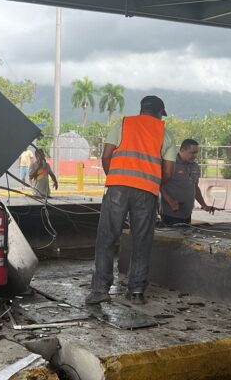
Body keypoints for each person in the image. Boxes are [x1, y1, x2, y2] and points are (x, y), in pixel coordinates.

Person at [86, 96, 177, 306]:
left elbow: (106, 155)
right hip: (147, 191)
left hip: (117, 187)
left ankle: (100, 290)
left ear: (142, 108)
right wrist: (152, 181)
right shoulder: (165, 133)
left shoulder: (123, 123)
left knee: (107, 238)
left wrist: (115, 177)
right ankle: (136, 291)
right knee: (142, 240)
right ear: (159, 112)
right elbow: (169, 171)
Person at [160, 139, 216, 226]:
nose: (194, 156)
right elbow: (159, 185)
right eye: (192, 152)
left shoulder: (195, 167)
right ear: (182, 150)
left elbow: (195, 187)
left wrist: (204, 205)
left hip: (187, 214)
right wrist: (170, 200)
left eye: (196, 153)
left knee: (185, 236)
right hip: (170, 214)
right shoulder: (170, 164)